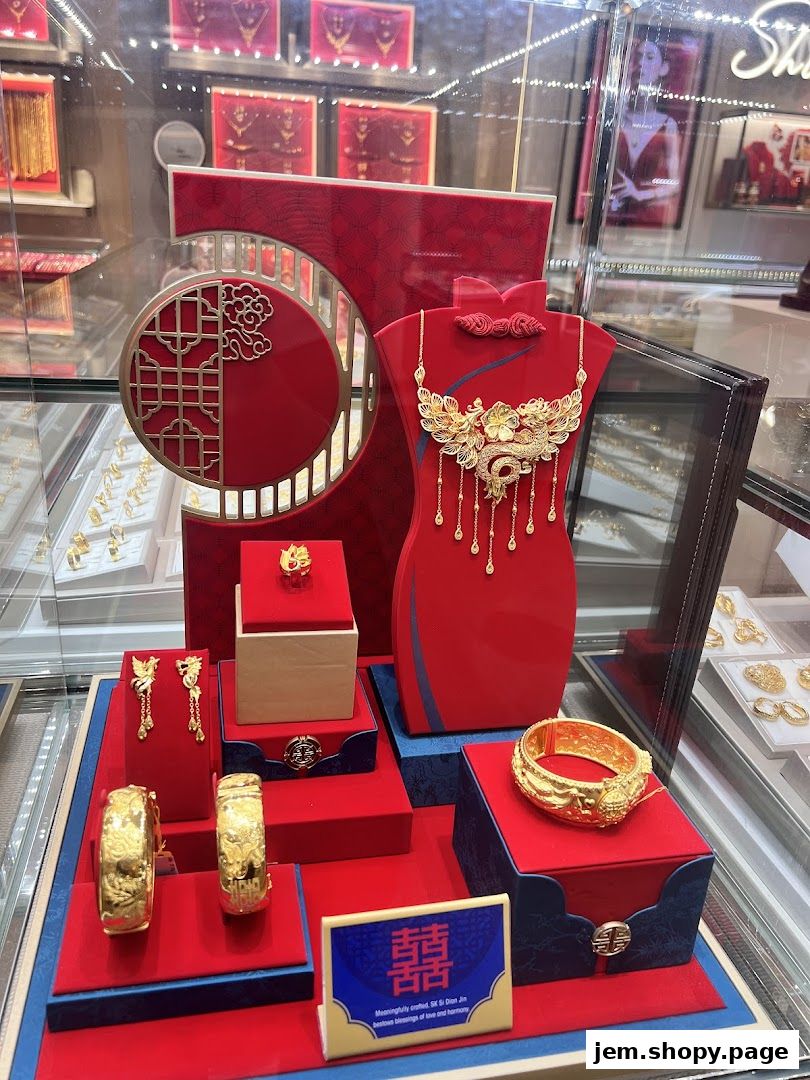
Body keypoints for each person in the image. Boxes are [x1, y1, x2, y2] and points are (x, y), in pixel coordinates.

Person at [609, 38, 681, 226]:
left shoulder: (668, 125)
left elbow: (675, 184)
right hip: (611, 214)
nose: (641, 63)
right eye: (637, 57)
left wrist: (641, 195)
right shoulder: (614, 118)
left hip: (645, 219)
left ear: (663, 68)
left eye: (649, 57)